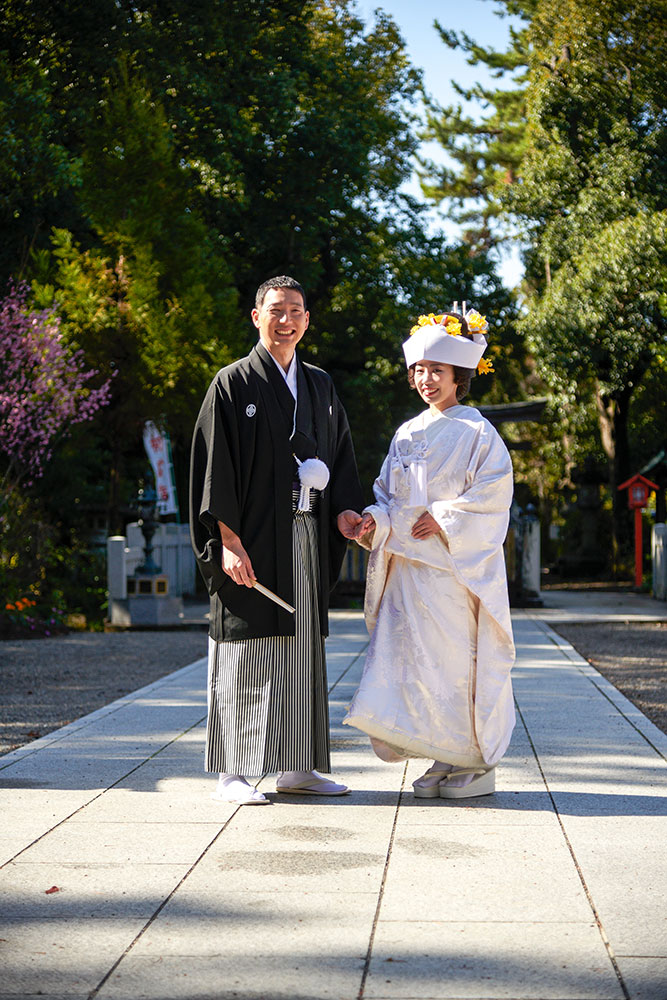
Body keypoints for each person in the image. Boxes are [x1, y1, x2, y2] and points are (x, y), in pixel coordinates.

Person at [190, 275, 364, 805]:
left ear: (307, 320)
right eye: (275, 310)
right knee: (245, 642)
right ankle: (233, 771)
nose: (285, 320)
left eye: (295, 311)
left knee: (302, 643)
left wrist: (346, 515)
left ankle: (298, 765)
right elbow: (215, 467)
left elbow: (340, 459)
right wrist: (226, 539)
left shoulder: (320, 385)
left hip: (306, 530)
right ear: (256, 317)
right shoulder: (233, 383)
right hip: (250, 534)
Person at [343, 307, 515, 798]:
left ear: (460, 376)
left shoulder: (479, 434)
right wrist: (373, 521)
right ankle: (442, 754)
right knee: (414, 667)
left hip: (452, 574)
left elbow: (492, 497)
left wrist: (443, 517)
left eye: (437, 371)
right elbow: (386, 492)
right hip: (406, 576)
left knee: (455, 665)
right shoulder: (406, 433)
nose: (426, 379)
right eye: (419, 370)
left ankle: (473, 760)